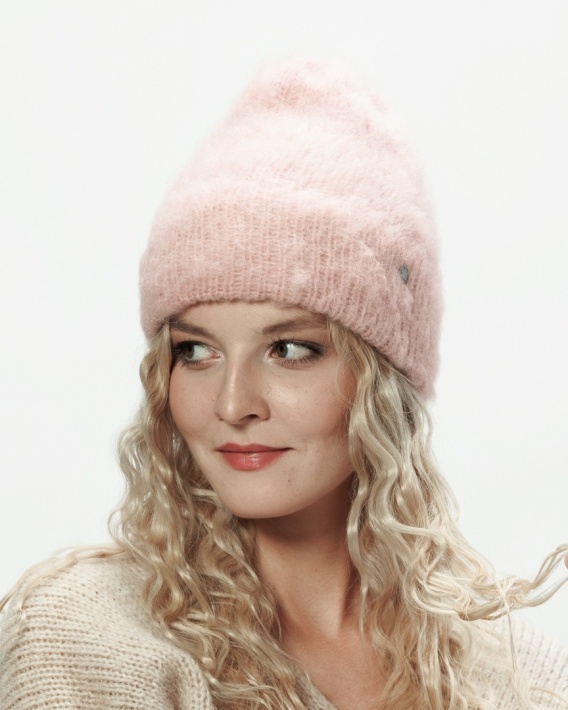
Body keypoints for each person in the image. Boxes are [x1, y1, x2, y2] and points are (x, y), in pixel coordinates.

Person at [0, 58, 566, 710]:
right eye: (196, 351)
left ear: (383, 380)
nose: (233, 404)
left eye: (289, 349)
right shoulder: (90, 636)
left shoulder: (524, 680)